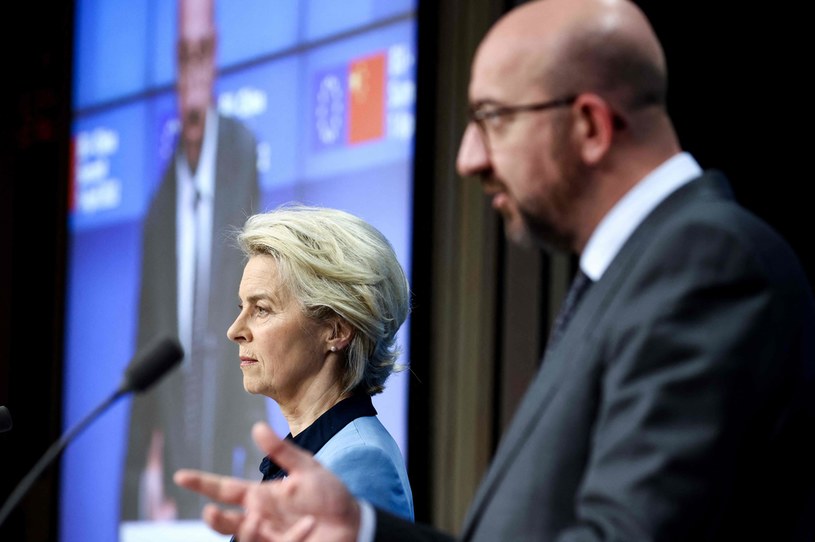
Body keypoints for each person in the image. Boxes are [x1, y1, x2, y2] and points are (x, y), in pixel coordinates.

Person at [173, 0, 815, 540]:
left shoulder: (705, 264)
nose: (467, 158)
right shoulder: (634, 273)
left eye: (493, 119)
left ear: (590, 124)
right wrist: (367, 532)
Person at [121, 0, 267, 522]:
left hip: (233, 450)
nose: (193, 71)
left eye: (202, 52)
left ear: (217, 54)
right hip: (172, 478)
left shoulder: (240, 155)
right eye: (184, 56)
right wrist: (140, 477)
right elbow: (147, 348)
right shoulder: (159, 206)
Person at [224, 203, 414, 521]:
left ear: (336, 330)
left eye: (262, 309)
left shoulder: (361, 461)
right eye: (242, 307)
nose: (235, 331)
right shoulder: (310, 453)